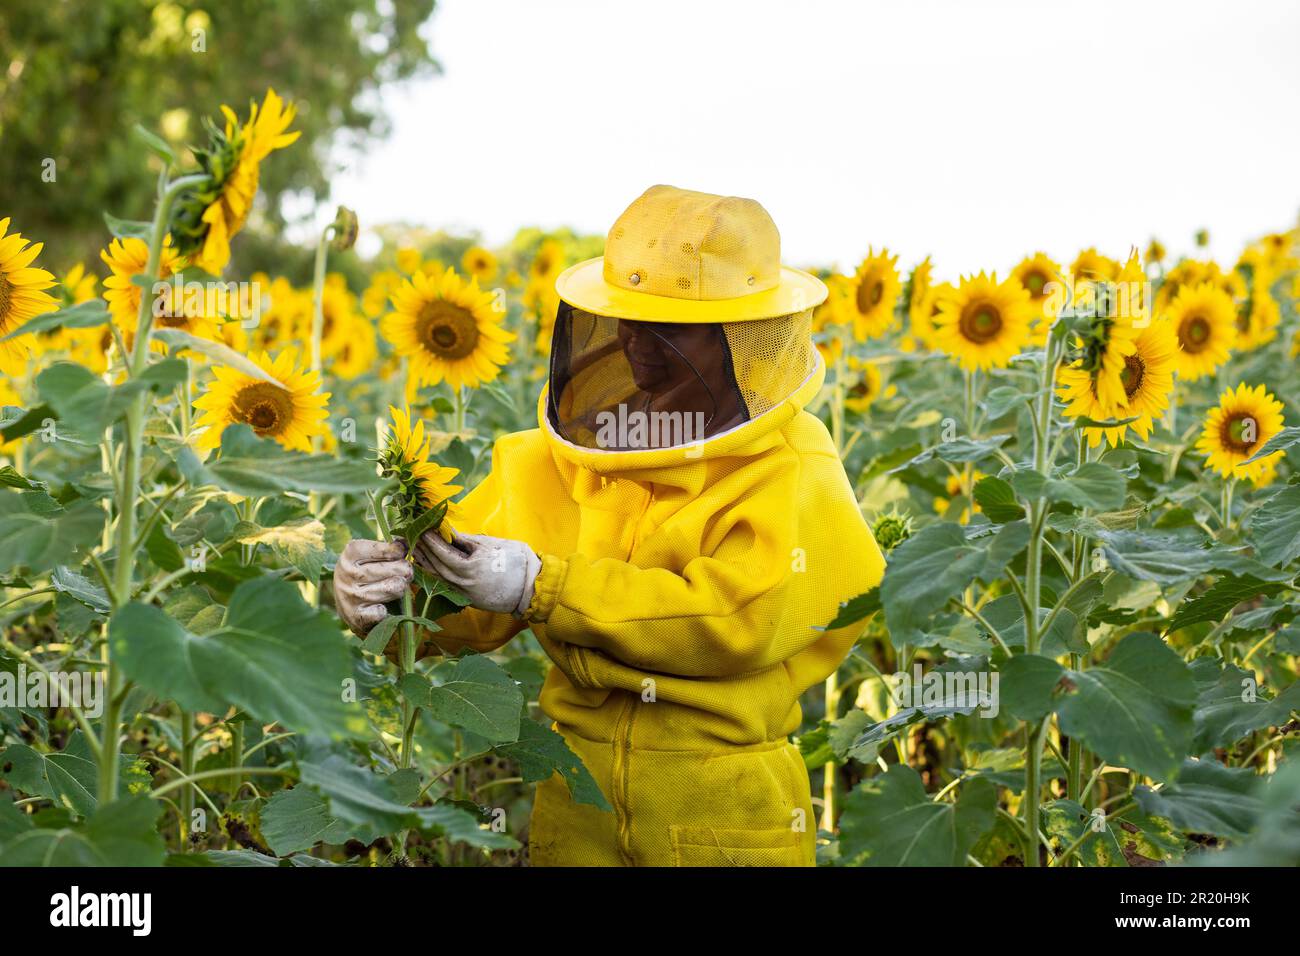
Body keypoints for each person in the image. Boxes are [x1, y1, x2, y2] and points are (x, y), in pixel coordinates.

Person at [334, 185, 886, 866]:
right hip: (578, 802)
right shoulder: (559, 458)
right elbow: (461, 608)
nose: (634, 343)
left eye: (669, 328)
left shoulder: (790, 468)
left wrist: (546, 585)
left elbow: (734, 620)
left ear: (737, 338)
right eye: (624, 319)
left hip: (724, 812)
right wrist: (388, 600)